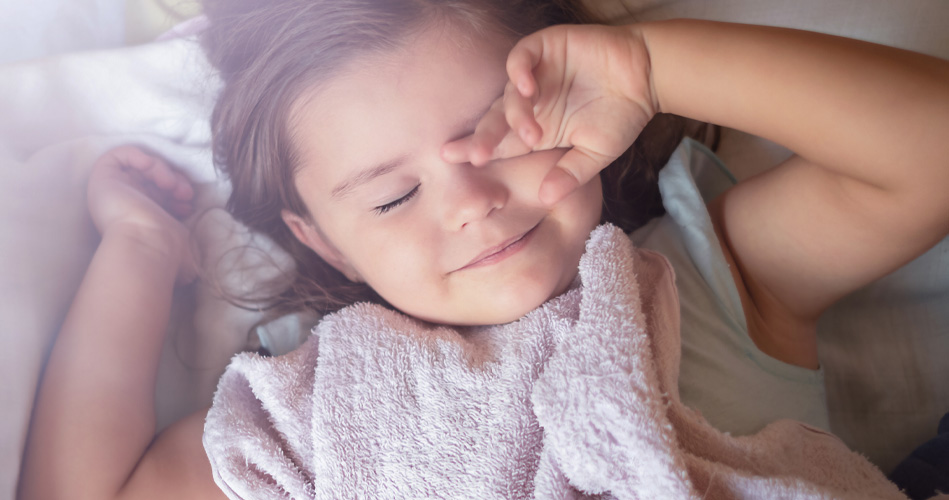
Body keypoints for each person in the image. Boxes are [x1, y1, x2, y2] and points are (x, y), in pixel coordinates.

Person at [18, 0, 949, 498]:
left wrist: (651, 67)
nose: (469, 201)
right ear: (321, 241)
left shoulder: (702, 282)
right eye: (391, 195)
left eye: (499, 135)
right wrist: (139, 246)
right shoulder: (313, 414)